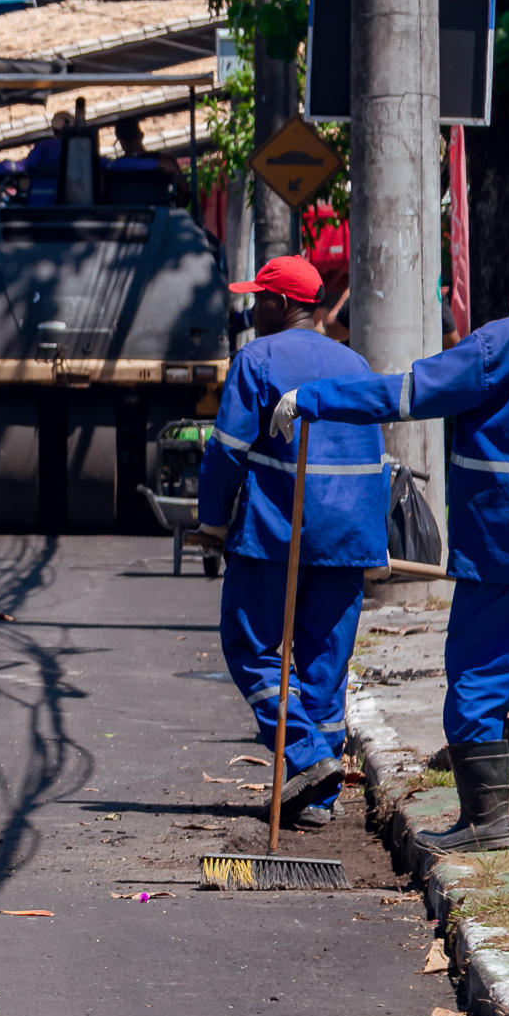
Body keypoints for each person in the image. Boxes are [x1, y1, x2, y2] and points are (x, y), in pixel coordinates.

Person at [272, 218, 509, 850]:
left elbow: (406, 393)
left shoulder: (495, 344)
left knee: (481, 668)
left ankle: (486, 821)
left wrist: (315, 398)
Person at [196, 254, 388, 828]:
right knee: (324, 664)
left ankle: (307, 757)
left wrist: (212, 520)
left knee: (249, 647)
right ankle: (320, 799)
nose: (253, 308)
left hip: (277, 533)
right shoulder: (355, 361)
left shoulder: (256, 358)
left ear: (281, 305)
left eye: (259, 298)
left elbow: (227, 450)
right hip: (349, 537)